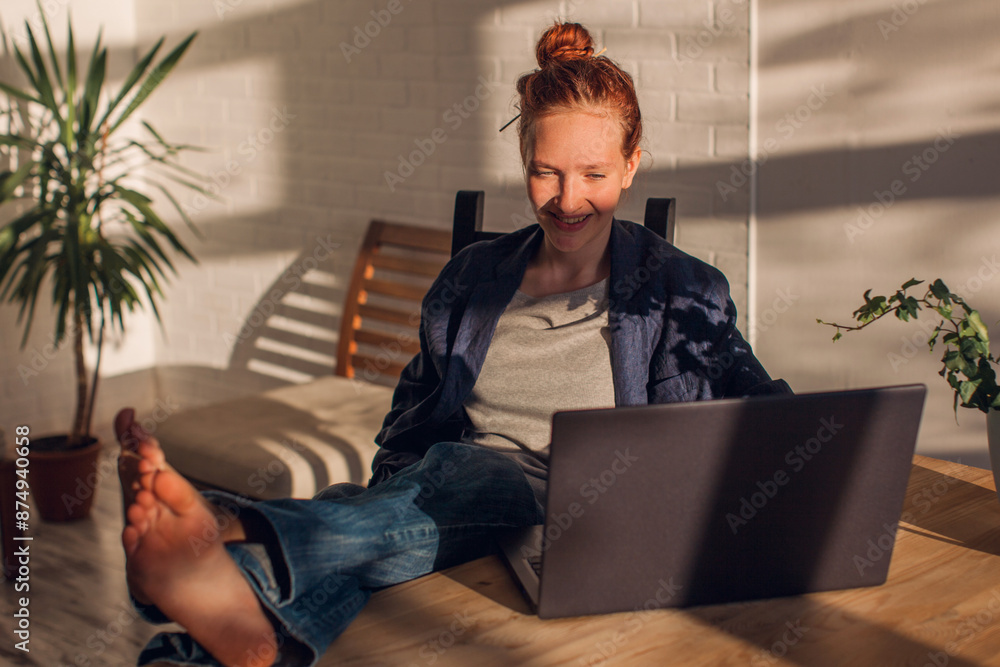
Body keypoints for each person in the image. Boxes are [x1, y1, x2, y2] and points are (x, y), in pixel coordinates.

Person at [117, 22, 790, 667]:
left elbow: (771, 419)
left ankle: (231, 535)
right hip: (453, 509)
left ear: (631, 165)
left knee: (469, 475)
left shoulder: (680, 290)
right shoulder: (470, 280)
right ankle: (232, 639)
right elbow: (410, 427)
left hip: (587, 531)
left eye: (593, 174)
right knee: (408, 495)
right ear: (523, 161)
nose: (567, 200)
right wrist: (392, 499)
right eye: (546, 172)